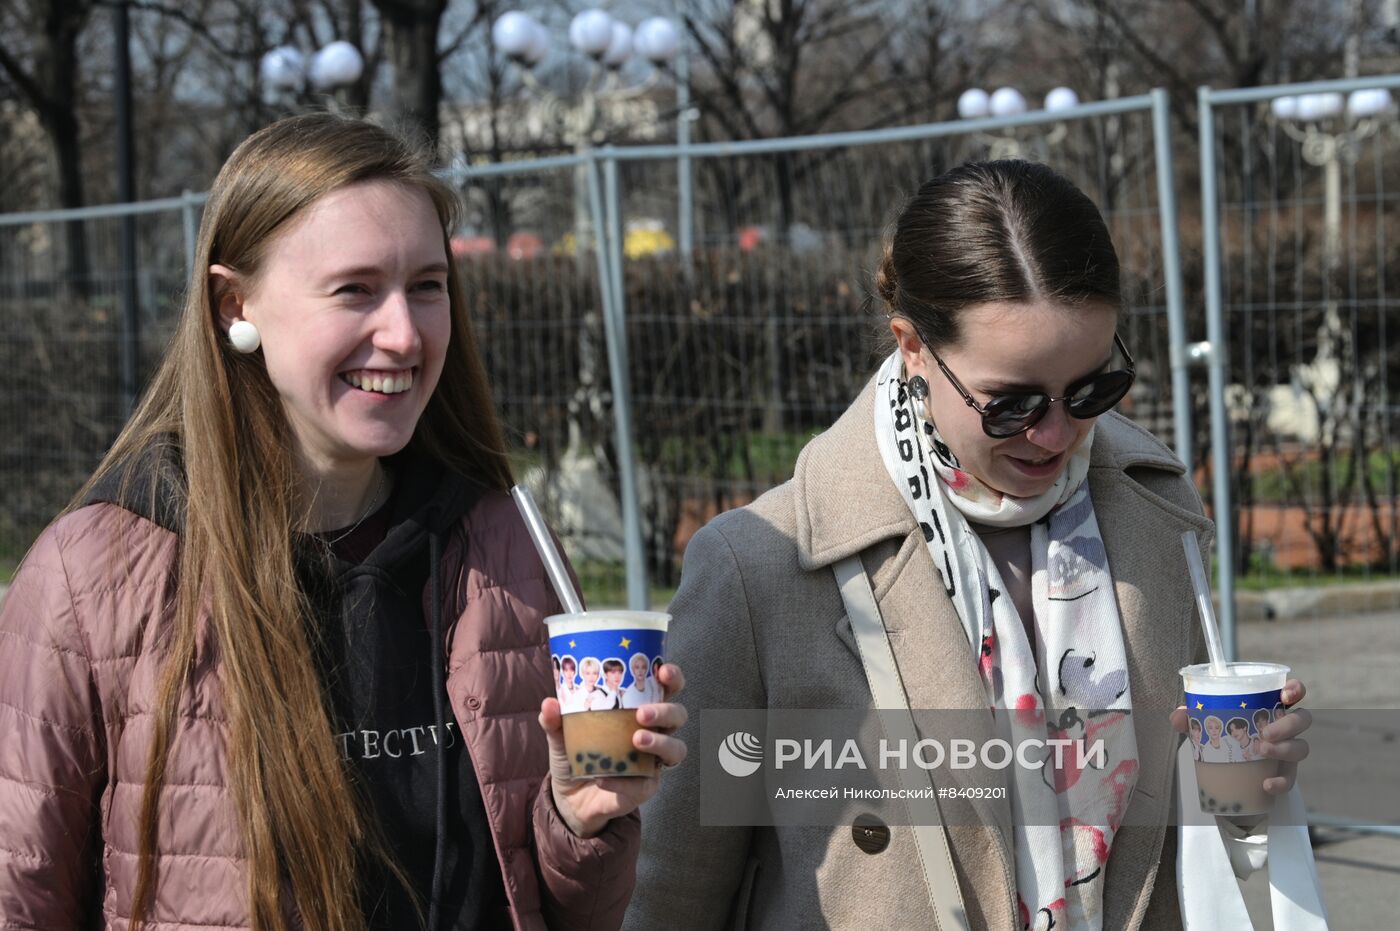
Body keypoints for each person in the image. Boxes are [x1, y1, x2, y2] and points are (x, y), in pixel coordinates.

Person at [0, 113, 688, 931]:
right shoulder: (96, 575)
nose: (404, 333)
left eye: (427, 286)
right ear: (234, 305)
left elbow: (561, 910)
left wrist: (582, 820)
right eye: (355, 289)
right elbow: (20, 893)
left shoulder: (502, 543)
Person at [625, 161, 1312, 931]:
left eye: (1092, 389)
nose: (1054, 434)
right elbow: (671, 895)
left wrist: (1245, 786)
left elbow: (1166, 840)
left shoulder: (1158, 511)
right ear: (913, 347)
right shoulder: (760, 569)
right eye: (1011, 403)